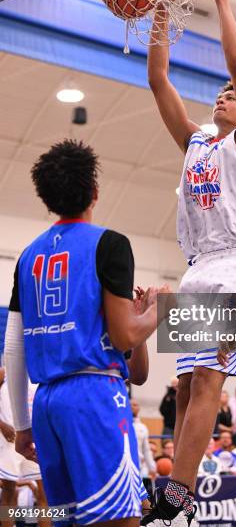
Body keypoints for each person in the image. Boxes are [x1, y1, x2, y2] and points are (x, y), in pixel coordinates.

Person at [143, 0, 236, 527]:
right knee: (191, 385)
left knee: (209, 383)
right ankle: (181, 505)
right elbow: (157, 78)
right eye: (219, 94)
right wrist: (163, 9)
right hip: (199, 266)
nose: (225, 95)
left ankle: (174, 502)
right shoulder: (198, 142)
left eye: (235, 97)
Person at [4, 140, 168, 526]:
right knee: (119, 519)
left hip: (45, 404)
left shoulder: (27, 255)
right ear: (94, 191)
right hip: (92, 397)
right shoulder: (109, 244)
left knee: (68, 518)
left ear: (47, 200)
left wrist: (24, 424)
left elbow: (13, 347)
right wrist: (161, 308)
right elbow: (126, 336)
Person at [0, 367, 49, 527]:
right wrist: (1, 425)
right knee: (9, 493)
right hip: (10, 440)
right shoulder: (4, 373)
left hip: (36, 438)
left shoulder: (43, 370)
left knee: (44, 494)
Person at [131, 399, 157, 480]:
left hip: (139, 467)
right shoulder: (119, 424)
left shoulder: (142, 427)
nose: (133, 407)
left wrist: (152, 468)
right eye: (131, 405)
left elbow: (146, 450)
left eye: (135, 405)